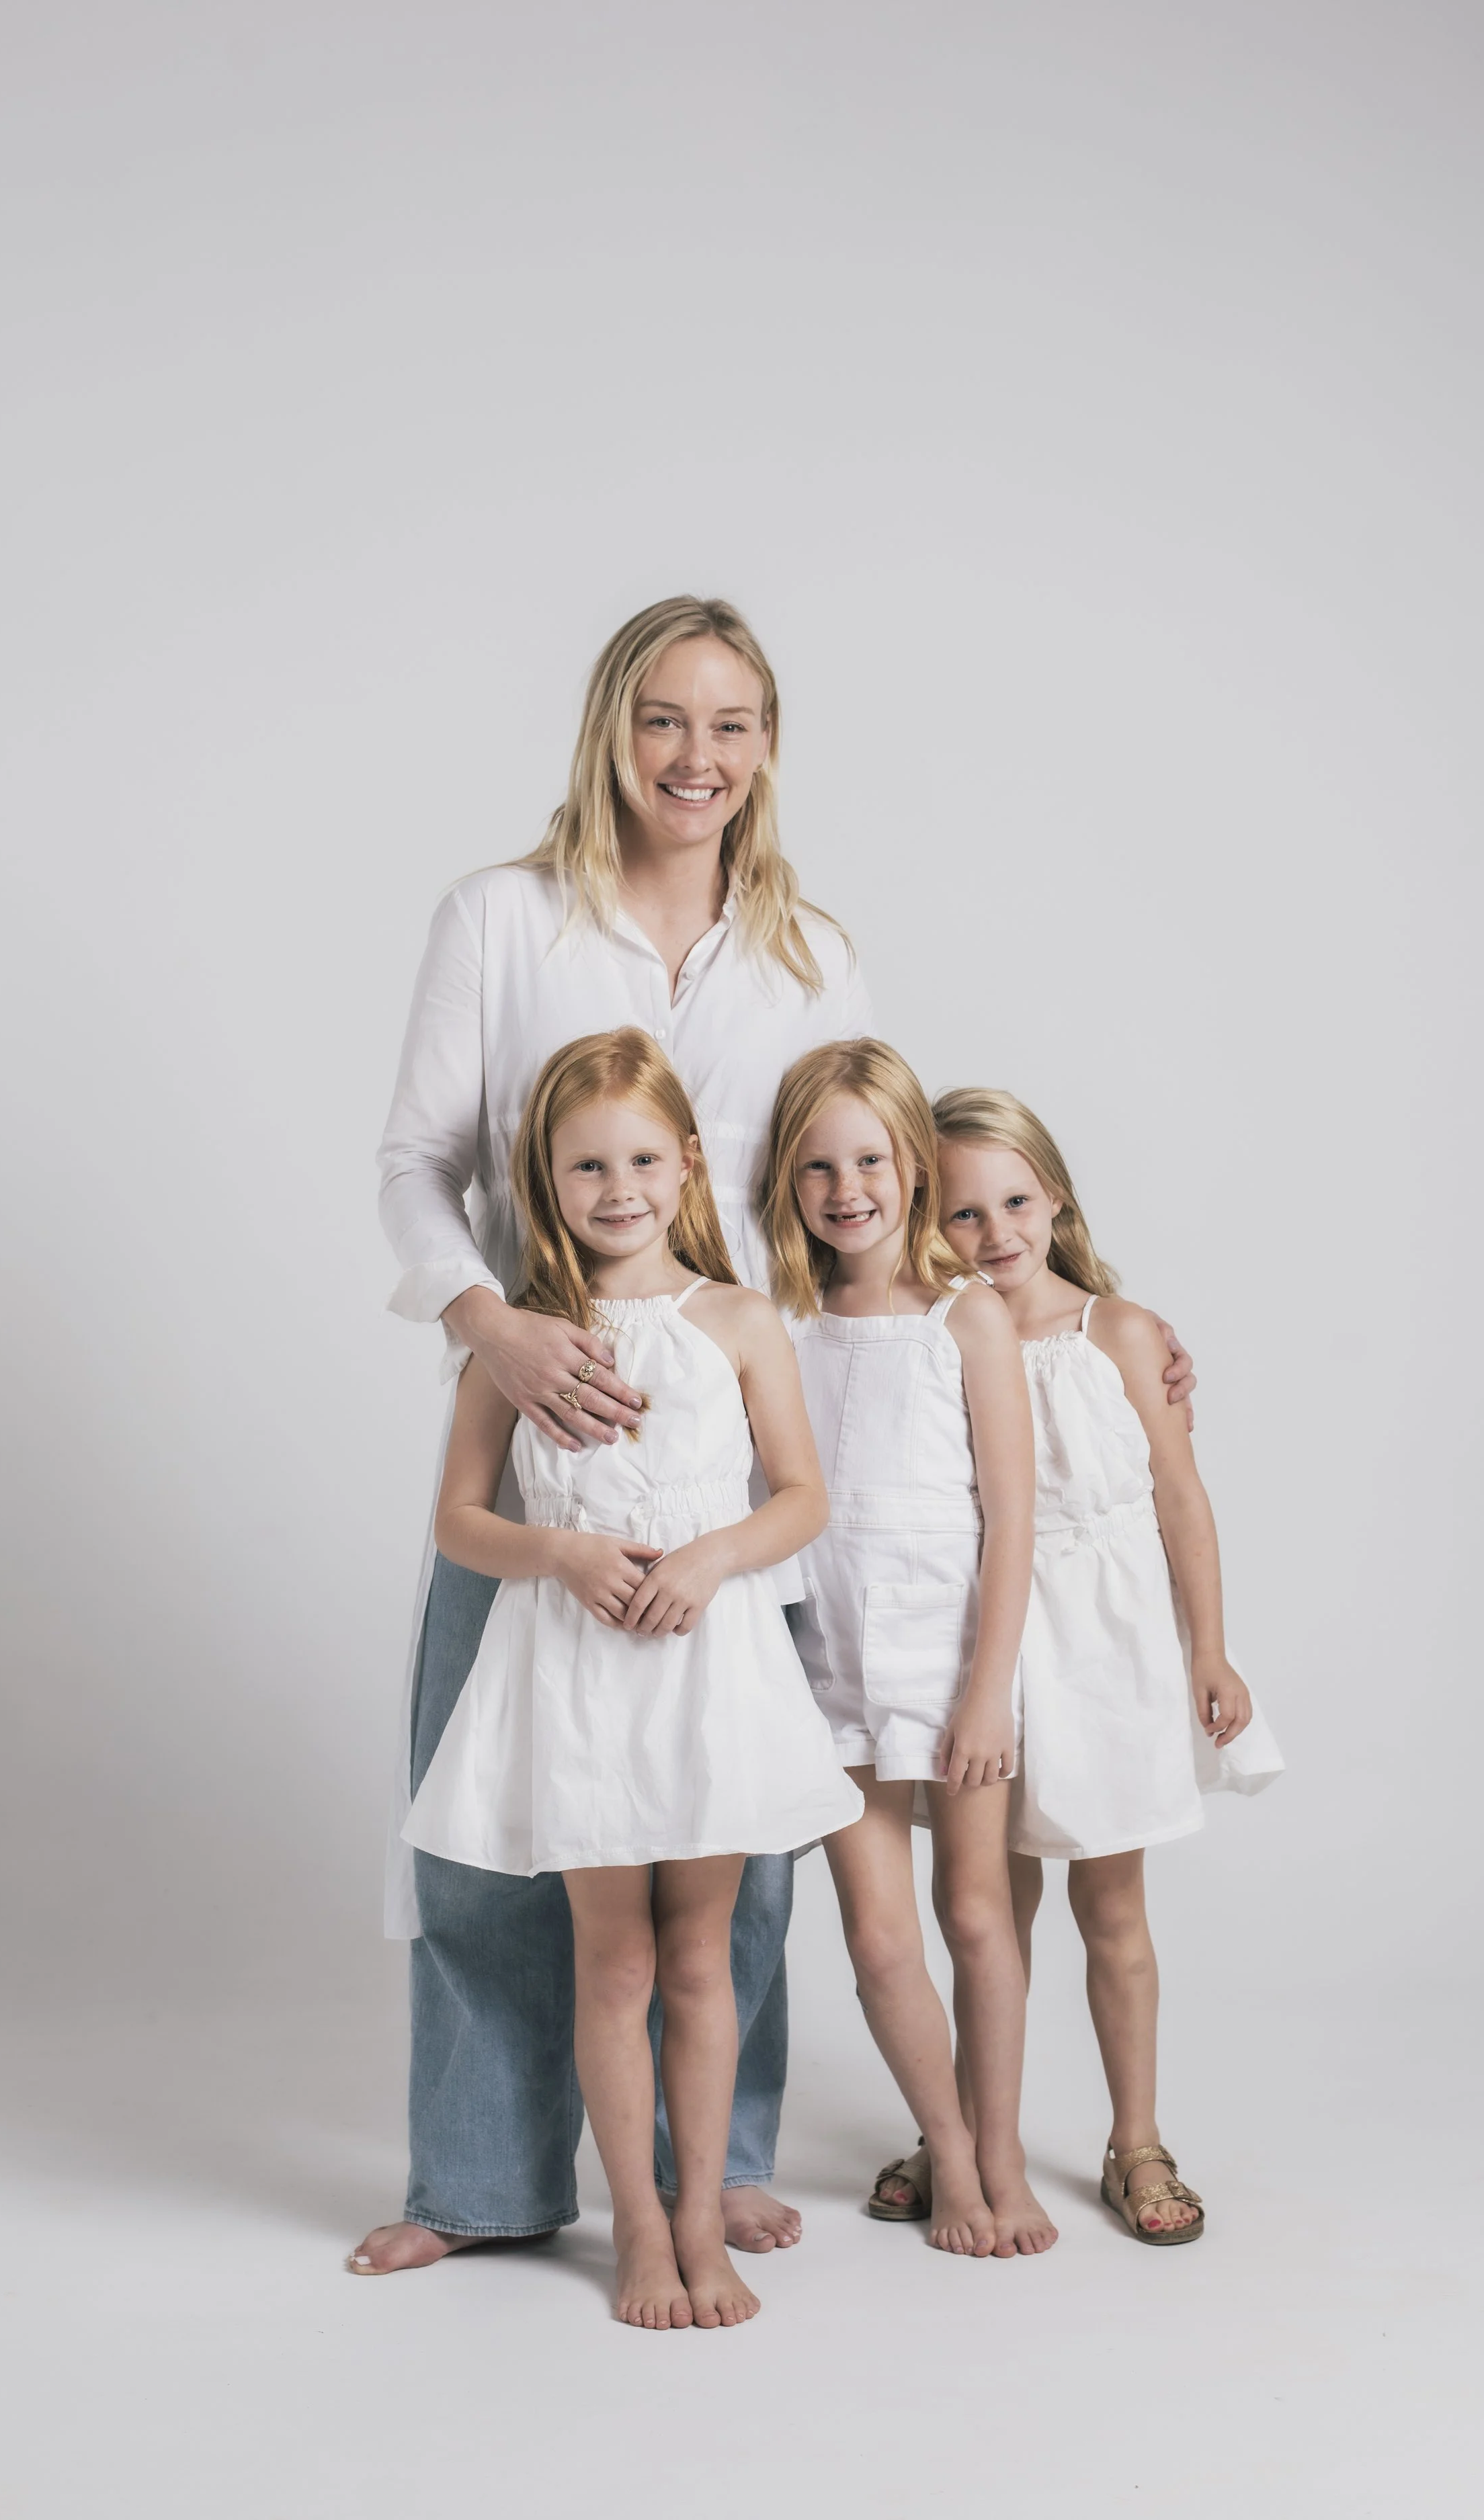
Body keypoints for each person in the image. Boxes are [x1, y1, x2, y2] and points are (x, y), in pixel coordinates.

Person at [352, 592, 1197, 2277]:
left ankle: (712, 2166)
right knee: (489, 1818)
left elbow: (887, 1157)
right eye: (665, 719)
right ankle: (478, 2182)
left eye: (732, 725)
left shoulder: (811, 951)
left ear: (767, 750)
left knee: (731, 1823)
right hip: (551, 1415)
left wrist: (1092, 1311)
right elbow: (414, 1166)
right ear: (610, 728)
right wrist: (496, 1332)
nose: (697, 756)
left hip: (745, 1435)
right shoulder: (502, 918)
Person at [402, 1030, 860, 2324]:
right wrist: (561, 1552)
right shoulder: (525, 1344)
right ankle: (641, 2234)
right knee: (612, 1961)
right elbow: (458, 1522)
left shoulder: (738, 1318)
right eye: (587, 1164)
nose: (618, 1187)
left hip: (706, 1670)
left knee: (702, 1955)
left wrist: (712, 1560)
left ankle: (703, 2213)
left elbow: (802, 1496)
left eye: (643, 1158)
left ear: (689, 1163)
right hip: (581, 1678)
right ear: (544, 1180)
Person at [872, 1088, 1282, 2244]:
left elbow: (1180, 1502)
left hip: (1105, 1652)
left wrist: (1208, 1643)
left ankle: (1135, 2137)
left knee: (1112, 1906)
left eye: (1015, 1200)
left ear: (1055, 1196)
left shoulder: (1123, 1333)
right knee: (984, 1909)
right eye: (961, 1212)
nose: (995, 1232)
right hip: (991, 1645)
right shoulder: (937, 1337)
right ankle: (961, 2130)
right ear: (921, 1219)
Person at [759, 1041, 1058, 2259]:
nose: (848, 1189)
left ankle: (999, 2152)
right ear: (788, 1180)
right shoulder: (779, 1321)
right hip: (826, 1670)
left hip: (950, 1666)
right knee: (879, 1937)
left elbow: (1012, 1516)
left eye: (872, 1159)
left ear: (912, 1166)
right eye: (819, 1166)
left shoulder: (965, 1318)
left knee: (977, 1914)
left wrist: (988, 1692)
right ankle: (948, 2150)